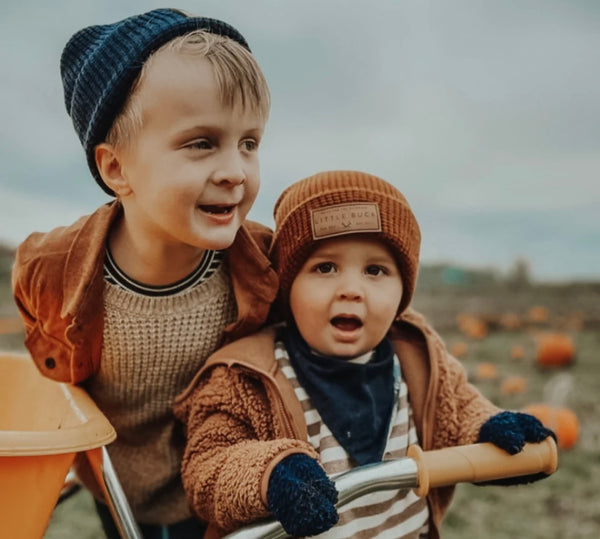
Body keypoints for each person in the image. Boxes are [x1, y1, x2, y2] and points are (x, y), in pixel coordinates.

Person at [11, 8, 277, 538]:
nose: (234, 170)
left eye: (249, 142)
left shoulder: (265, 261)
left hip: (229, 484)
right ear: (116, 169)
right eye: (202, 143)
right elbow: (49, 372)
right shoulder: (53, 269)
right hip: (118, 490)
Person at [173, 170, 555, 538]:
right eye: (325, 267)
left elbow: (456, 411)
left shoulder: (416, 356)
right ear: (288, 285)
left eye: (375, 270)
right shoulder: (247, 375)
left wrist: (489, 429)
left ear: (402, 292)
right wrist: (271, 474)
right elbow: (207, 469)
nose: (351, 289)